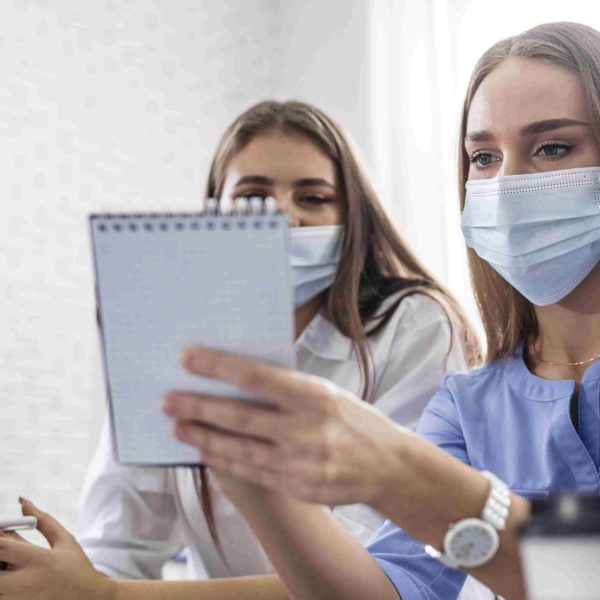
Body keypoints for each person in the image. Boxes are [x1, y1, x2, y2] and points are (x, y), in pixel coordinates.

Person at [150, 21, 600, 600]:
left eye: (553, 147)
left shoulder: (417, 341)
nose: (507, 183)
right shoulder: (468, 405)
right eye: (483, 157)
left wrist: (403, 472)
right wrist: (252, 472)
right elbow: (391, 589)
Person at [0, 100, 476, 599]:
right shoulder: (171, 335)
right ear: (214, 212)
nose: (283, 218)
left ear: (353, 216)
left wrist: (105, 595)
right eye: (253, 195)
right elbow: (117, 544)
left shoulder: (416, 325)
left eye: (313, 198)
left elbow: (367, 579)